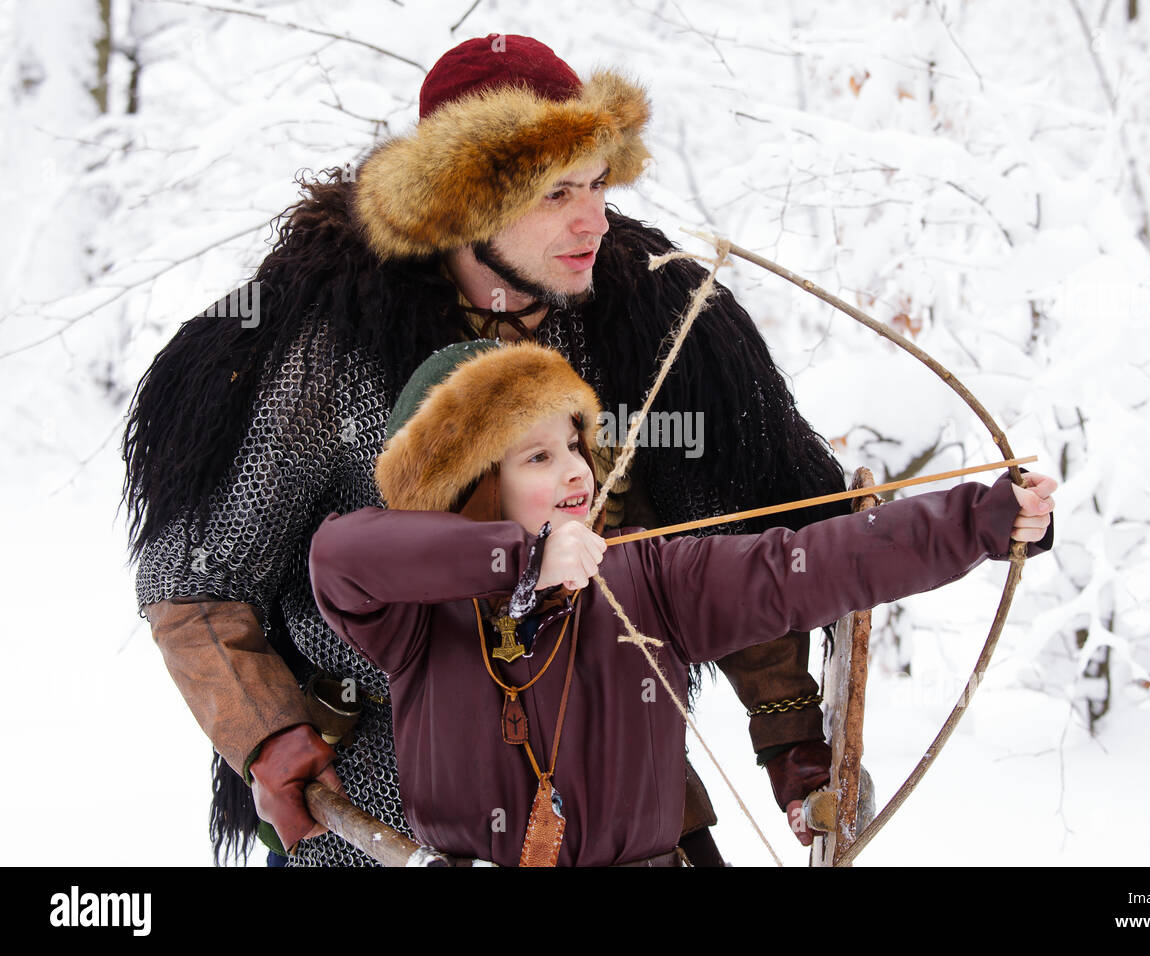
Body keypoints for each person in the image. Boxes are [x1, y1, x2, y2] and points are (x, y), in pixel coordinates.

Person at [123, 35, 870, 865]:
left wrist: (792, 738)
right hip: (391, 783)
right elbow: (196, 582)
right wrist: (269, 737)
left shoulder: (646, 319)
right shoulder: (330, 345)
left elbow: (724, 536)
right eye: (555, 192)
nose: (594, 219)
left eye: (596, 183)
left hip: (615, 777)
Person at [307, 340, 1056, 866]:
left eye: (575, 445)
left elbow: (805, 567)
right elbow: (339, 555)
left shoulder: (648, 577)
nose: (575, 471)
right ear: (467, 484)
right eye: (537, 456)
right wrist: (518, 561)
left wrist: (978, 521)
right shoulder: (415, 622)